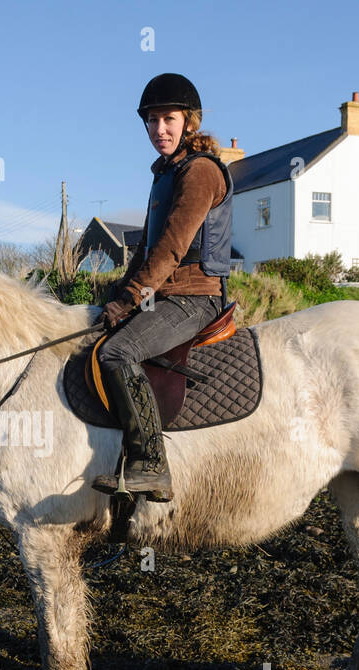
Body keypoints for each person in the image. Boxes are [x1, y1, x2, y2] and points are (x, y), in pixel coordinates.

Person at [92, 72, 235, 502]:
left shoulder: (200, 172)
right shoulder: (165, 174)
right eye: (152, 121)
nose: (159, 130)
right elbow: (146, 250)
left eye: (168, 119)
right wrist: (118, 295)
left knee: (118, 352)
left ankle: (153, 463)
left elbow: (172, 247)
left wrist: (133, 299)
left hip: (196, 298)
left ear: (189, 121)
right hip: (169, 295)